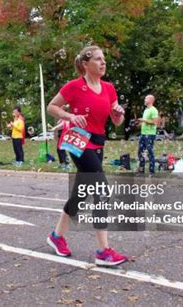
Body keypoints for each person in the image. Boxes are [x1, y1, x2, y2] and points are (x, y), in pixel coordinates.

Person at [46, 45, 127, 266]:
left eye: (104, 59)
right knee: (102, 190)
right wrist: (69, 116)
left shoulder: (109, 88)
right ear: (85, 64)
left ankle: (56, 237)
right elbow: (52, 107)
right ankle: (103, 251)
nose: (103, 63)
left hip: (98, 144)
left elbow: (116, 121)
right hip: (79, 142)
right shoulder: (74, 86)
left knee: (80, 195)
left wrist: (119, 114)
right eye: (98, 59)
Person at [137, 95, 159, 176]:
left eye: (146, 98)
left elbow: (155, 122)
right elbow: (146, 121)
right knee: (140, 152)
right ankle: (141, 170)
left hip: (150, 134)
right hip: (143, 134)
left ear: (150, 100)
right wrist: (140, 123)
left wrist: (144, 120)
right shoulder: (146, 110)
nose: (144, 100)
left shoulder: (154, 110)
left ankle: (151, 171)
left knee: (149, 152)